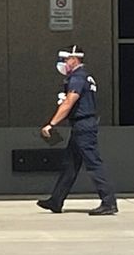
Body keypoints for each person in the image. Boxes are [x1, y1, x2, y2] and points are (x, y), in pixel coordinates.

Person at [37, 46, 118, 215]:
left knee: (93, 163)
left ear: (75, 59)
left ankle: (108, 202)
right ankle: (56, 200)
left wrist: (52, 124)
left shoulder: (77, 78)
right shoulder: (83, 77)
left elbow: (69, 103)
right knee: (70, 165)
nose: (63, 63)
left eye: (66, 59)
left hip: (83, 126)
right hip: (81, 126)